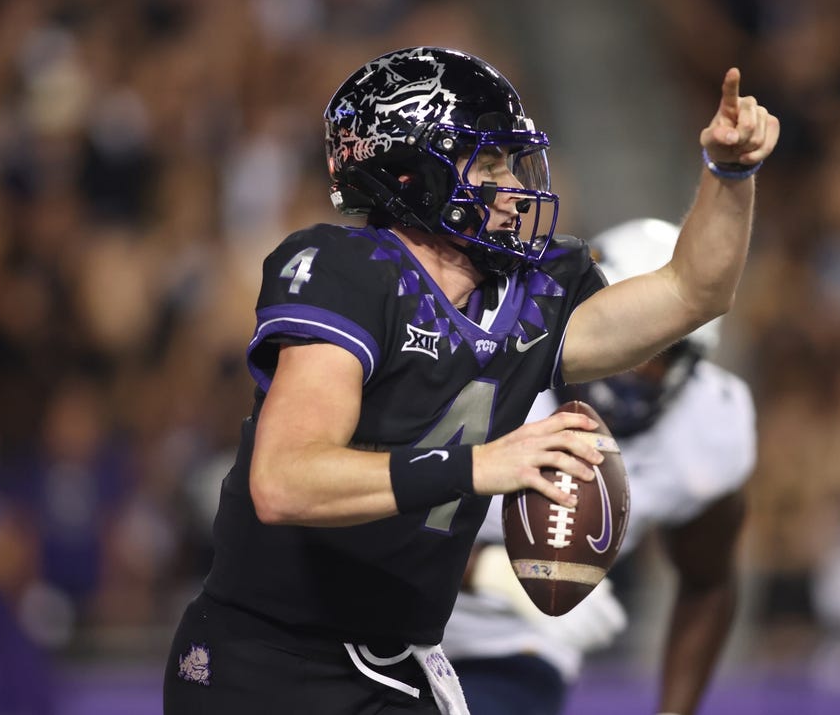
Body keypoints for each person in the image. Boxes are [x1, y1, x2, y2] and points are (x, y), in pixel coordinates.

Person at [163, 46, 778, 715]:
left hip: (397, 662)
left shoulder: (536, 294)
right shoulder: (351, 273)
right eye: (488, 162)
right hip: (265, 660)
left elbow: (694, 292)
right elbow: (285, 481)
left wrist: (729, 173)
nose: (512, 185)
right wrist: (480, 464)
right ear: (413, 172)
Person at [444, 218, 757, 715]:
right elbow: (367, 506)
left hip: (512, 648)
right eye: (624, 330)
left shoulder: (706, 429)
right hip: (379, 602)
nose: (634, 360)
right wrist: (491, 571)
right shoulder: (488, 363)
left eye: (661, 350)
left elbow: (708, 582)